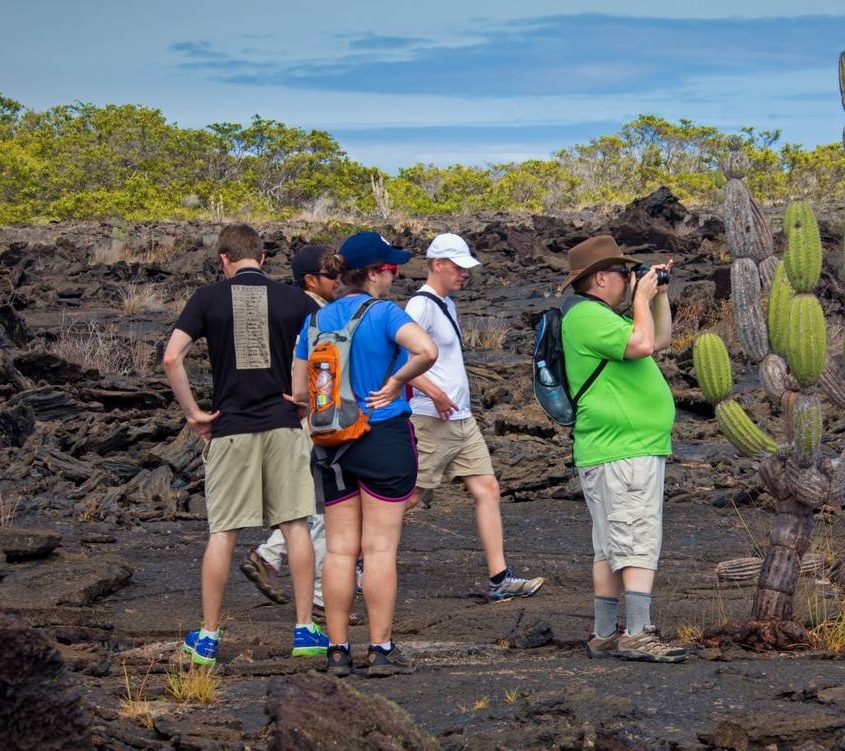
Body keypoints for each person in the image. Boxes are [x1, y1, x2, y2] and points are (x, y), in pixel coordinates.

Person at [163, 224, 327, 666]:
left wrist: (193, 413)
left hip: (230, 428)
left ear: (223, 260)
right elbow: (320, 354)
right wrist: (303, 400)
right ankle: (304, 630)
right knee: (296, 526)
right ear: (263, 259)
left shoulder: (206, 298)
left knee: (223, 533)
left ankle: (209, 637)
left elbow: (171, 357)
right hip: (282, 426)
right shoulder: (296, 300)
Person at [291, 232, 438, 678]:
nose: (394, 276)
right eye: (390, 269)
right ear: (373, 273)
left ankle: (337, 651)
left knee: (338, 550)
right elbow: (426, 351)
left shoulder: (314, 321)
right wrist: (395, 383)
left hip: (332, 442)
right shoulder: (385, 313)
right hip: (383, 435)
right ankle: (381, 649)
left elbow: (299, 391)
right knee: (378, 550)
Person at [560, 235, 685, 663]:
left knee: (611, 545)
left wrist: (657, 298)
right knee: (636, 539)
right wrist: (641, 298)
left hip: (618, 448)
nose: (630, 280)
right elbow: (642, 345)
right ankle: (636, 632)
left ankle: (603, 633)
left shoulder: (595, 316)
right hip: (622, 450)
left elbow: (659, 338)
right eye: (623, 273)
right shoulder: (585, 317)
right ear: (600, 278)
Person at [404, 233, 546, 602]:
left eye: (466, 267)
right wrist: (434, 393)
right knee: (409, 497)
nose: (465, 274)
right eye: (457, 266)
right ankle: (355, 560)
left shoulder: (447, 304)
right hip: (431, 419)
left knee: (487, 489)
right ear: (437, 264)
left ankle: (499, 578)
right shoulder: (420, 307)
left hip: (460, 419)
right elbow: (400, 361)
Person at [240, 244, 364, 624]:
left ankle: (274, 555)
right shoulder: (316, 314)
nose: (338, 282)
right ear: (311, 279)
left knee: (315, 504)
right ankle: (315, 592)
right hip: (312, 417)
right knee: (327, 507)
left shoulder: (281, 308)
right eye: (331, 276)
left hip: (281, 415)